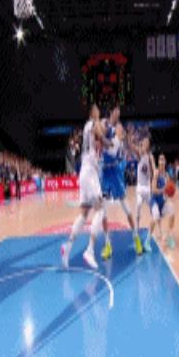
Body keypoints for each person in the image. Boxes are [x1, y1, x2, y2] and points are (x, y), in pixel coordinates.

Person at [61, 104, 108, 270]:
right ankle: (90, 250)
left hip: (86, 173)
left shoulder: (90, 126)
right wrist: (106, 136)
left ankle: (67, 247)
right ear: (92, 112)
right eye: (97, 109)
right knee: (100, 210)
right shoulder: (91, 123)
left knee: (84, 214)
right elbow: (101, 133)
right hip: (89, 173)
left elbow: (100, 137)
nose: (99, 111)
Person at [100, 106, 143, 260]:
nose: (118, 114)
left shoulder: (119, 128)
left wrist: (103, 139)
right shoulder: (104, 124)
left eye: (119, 111)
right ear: (111, 112)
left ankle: (136, 239)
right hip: (105, 172)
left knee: (126, 208)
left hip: (116, 172)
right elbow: (100, 139)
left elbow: (112, 149)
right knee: (103, 211)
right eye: (116, 111)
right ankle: (107, 244)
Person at [144, 154, 175, 251]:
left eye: (163, 160)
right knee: (155, 216)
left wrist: (170, 193)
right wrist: (164, 189)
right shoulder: (156, 173)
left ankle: (169, 237)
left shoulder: (167, 175)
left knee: (172, 211)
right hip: (154, 201)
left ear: (165, 162)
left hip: (163, 201)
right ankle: (147, 241)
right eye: (160, 160)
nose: (161, 161)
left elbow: (168, 190)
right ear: (158, 162)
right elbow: (153, 190)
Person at [130, 136, 156, 232]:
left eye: (146, 142)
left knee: (154, 209)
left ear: (148, 145)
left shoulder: (150, 156)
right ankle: (137, 226)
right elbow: (132, 147)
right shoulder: (139, 154)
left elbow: (154, 168)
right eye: (143, 142)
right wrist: (130, 140)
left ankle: (157, 227)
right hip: (140, 187)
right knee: (138, 205)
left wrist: (155, 173)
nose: (144, 143)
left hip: (148, 187)